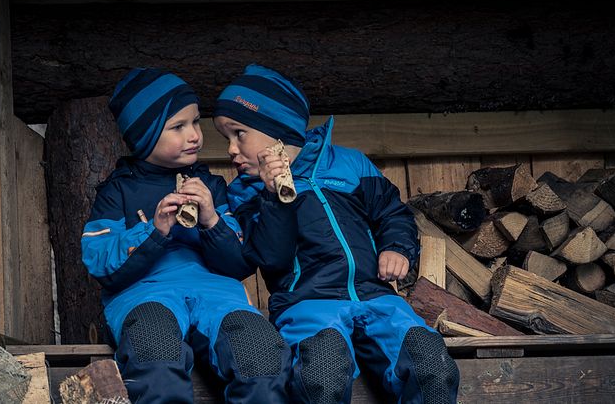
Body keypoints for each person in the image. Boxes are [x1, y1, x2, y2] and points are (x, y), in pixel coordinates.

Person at [212, 64, 460, 404]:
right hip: (306, 303)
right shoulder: (246, 192)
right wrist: (273, 196)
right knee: (322, 374)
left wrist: (397, 248)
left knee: (431, 363)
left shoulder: (350, 165)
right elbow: (271, 256)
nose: (230, 149)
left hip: (377, 297)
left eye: (238, 133)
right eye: (226, 138)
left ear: (277, 130)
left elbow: (392, 213)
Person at [81, 68, 290, 404]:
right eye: (178, 127)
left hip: (217, 295)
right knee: (154, 349)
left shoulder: (214, 189)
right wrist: (156, 230)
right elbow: (100, 262)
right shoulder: (116, 193)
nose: (194, 135)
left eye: (195, 122)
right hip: (146, 296)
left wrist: (210, 220)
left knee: (260, 351)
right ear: (144, 136)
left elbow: (239, 263)